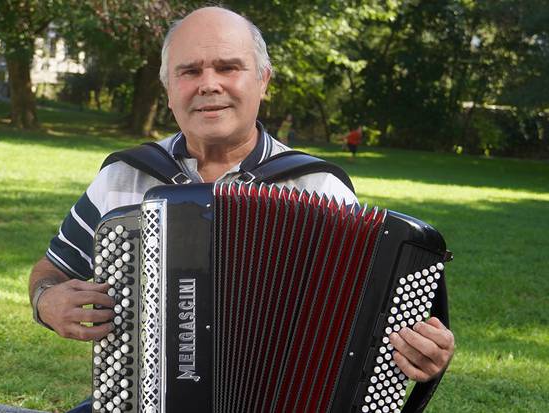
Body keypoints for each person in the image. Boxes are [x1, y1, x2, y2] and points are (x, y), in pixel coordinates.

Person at [28, 6, 454, 411]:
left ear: (263, 80)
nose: (208, 84)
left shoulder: (317, 187)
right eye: (189, 71)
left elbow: (365, 332)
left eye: (228, 68)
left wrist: (423, 352)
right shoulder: (124, 177)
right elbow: (49, 272)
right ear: (169, 89)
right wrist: (46, 303)